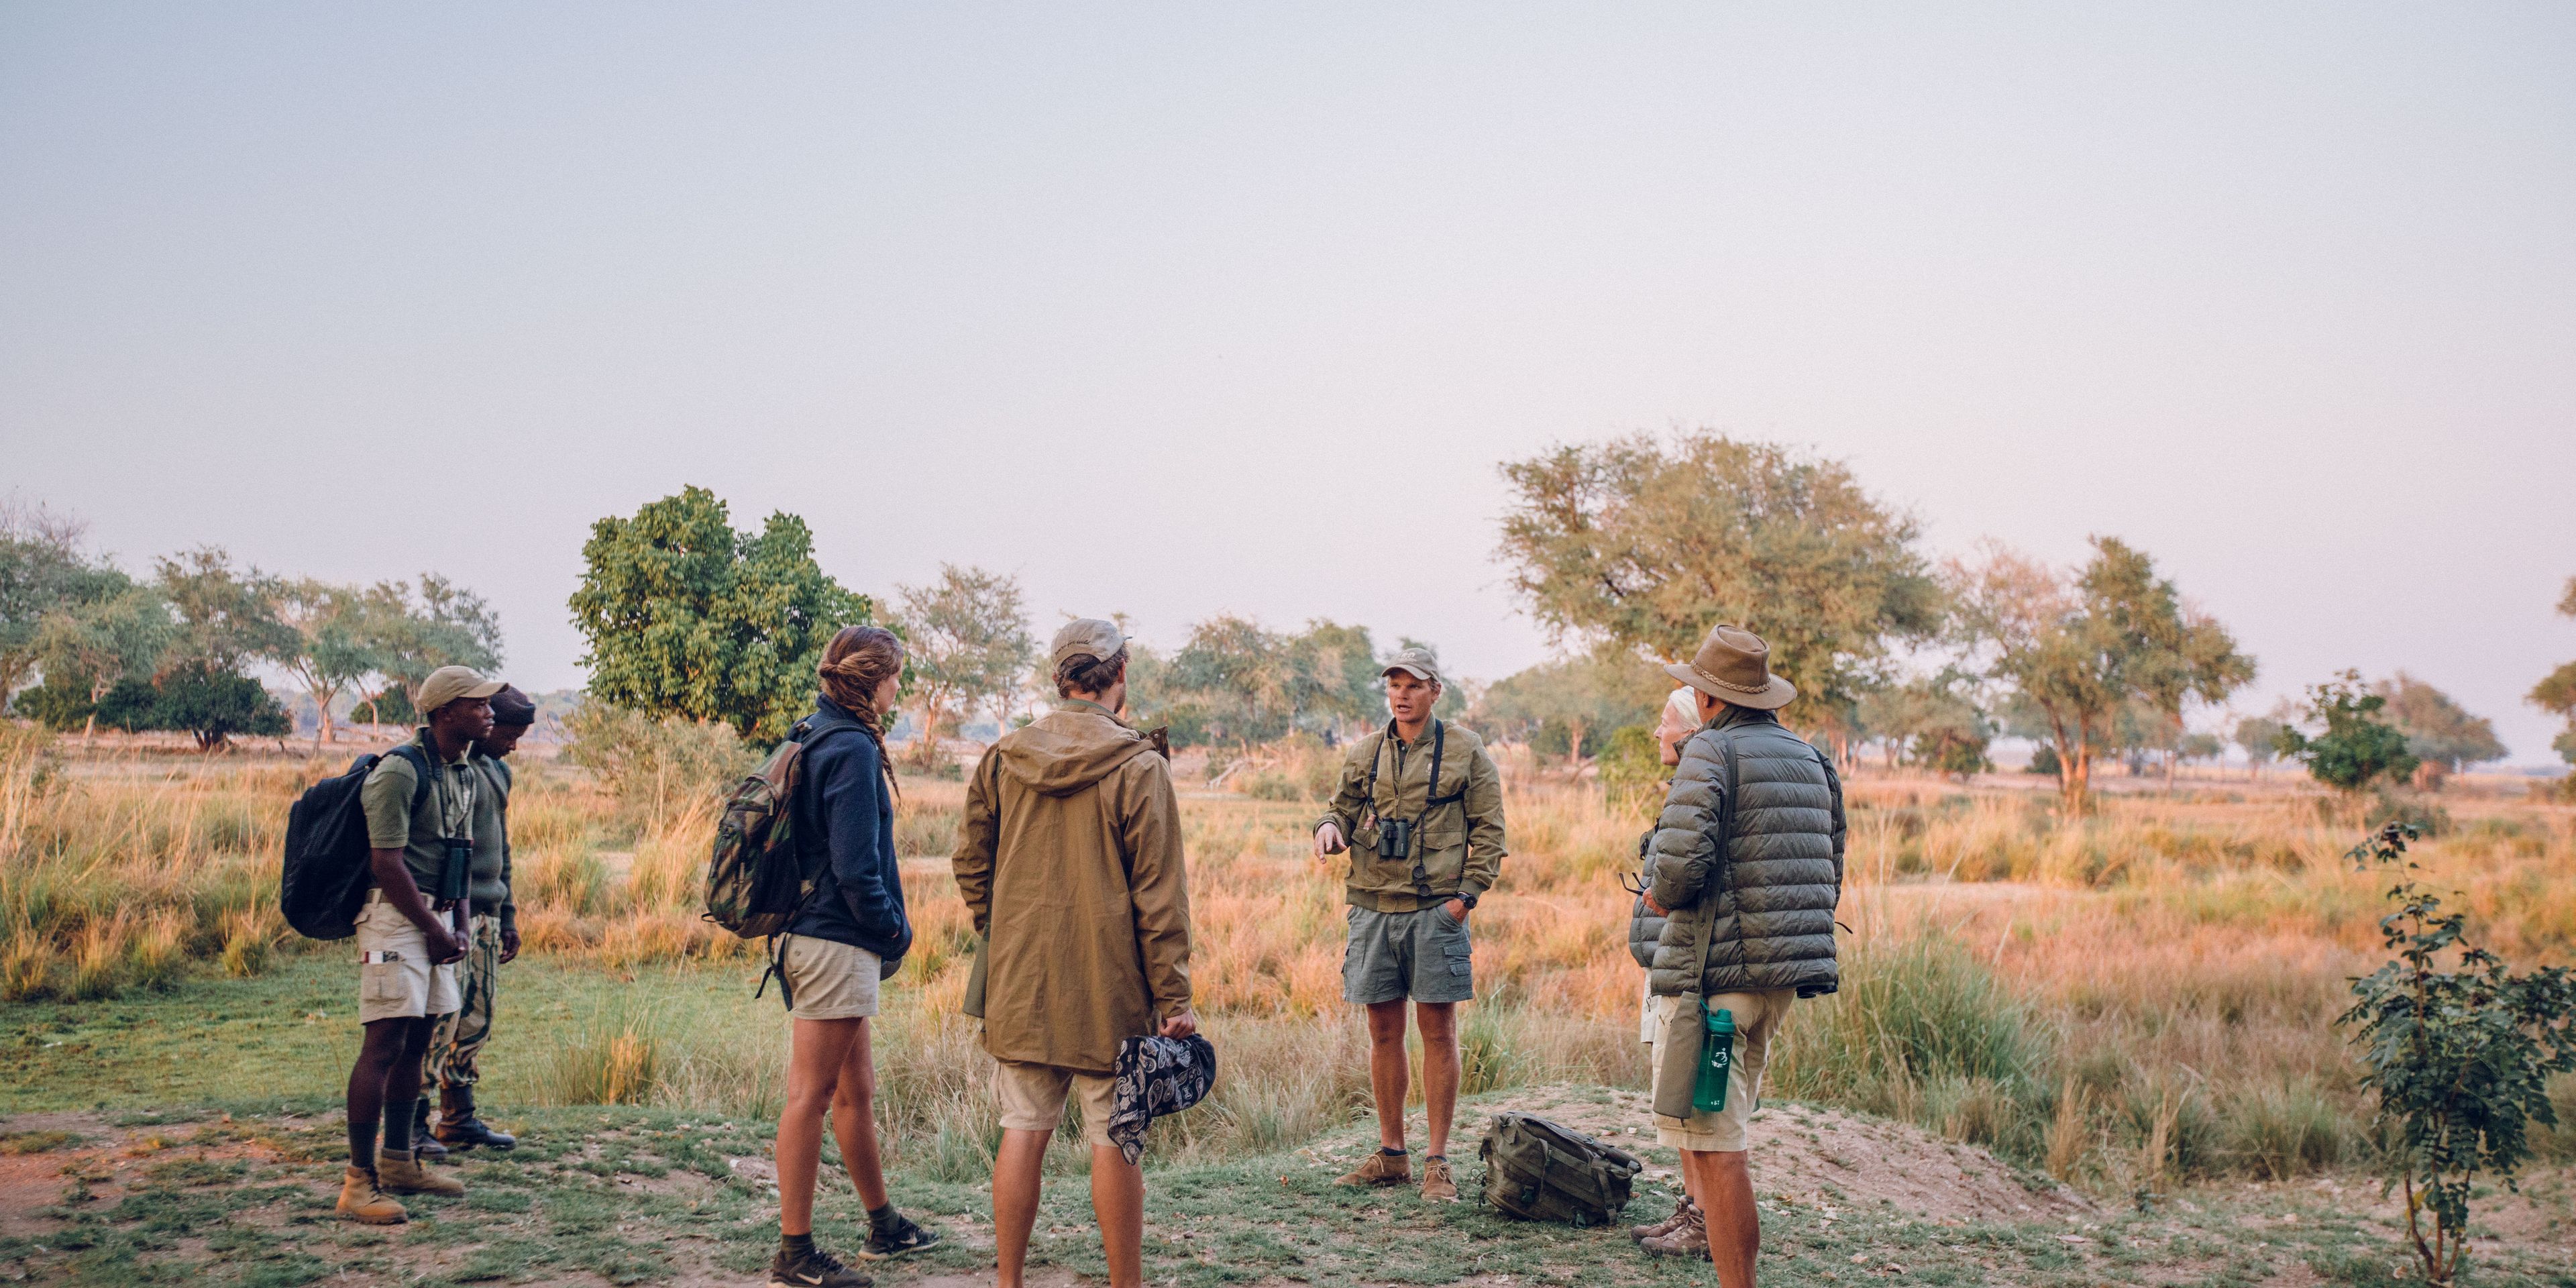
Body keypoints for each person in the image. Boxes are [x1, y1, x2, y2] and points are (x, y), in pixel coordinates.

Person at [954, 619, 1195, 1288]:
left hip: (1021, 980)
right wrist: (1174, 999)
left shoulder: (1004, 757)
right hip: (1109, 988)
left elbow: (970, 861)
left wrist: (1003, 936)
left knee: (1023, 1127)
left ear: (1060, 680)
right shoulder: (1140, 766)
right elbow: (1160, 899)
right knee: (1115, 1138)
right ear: (1120, 675)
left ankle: (1008, 1283)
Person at [1637, 625, 1846, 1287]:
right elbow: (1830, 864)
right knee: (1721, 1132)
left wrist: (1659, 897)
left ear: (1707, 699)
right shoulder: (1811, 758)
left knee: (1718, 1147)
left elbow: (1678, 865)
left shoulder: (1710, 752)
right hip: (1778, 981)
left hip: (1714, 982)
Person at [767, 625, 940, 1288]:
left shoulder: (814, 730)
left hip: (815, 937)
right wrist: (893, 931)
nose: (900, 687)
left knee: (854, 1093)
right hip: (835, 941)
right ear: (876, 679)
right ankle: (794, 1253)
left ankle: (885, 1225)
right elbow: (855, 867)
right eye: (896, 676)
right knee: (810, 1096)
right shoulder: (851, 748)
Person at [1311, 647, 1507, 1202]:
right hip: (1373, 906)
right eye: (1394, 685)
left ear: (1435, 691)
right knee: (1382, 1031)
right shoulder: (1366, 751)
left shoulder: (1467, 750)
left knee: (1439, 1032)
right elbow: (1341, 808)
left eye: (1413, 685)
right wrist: (1329, 828)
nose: (1401, 694)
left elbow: (1490, 830)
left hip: (1434, 909)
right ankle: (1392, 1153)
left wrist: (1465, 898)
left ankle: (1437, 1162)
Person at [337, 665, 498, 1224]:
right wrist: (434, 929)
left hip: (437, 917)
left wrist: (459, 924)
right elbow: (386, 861)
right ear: (446, 711)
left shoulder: (463, 771)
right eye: (479, 704)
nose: (490, 712)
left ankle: (401, 1161)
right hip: (395, 917)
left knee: (418, 1042)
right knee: (383, 1044)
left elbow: (463, 854)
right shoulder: (401, 772)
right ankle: (359, 1184)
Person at [421, 684, 535, 1157]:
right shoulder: (449, 771)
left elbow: (500, 848)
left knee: (476, 1019)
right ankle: (412, 1120)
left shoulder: (498, 773)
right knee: (439, 1019)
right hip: (455, 914)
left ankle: (459, 1116)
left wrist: (508, 914)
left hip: (487, 910)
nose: (512, 742)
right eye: (508, 731)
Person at [1627, 686, 1710, 1254]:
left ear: (1689, 732)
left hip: (1687, 965)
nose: (1657, 733)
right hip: (1666, 962)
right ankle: (1690, 1209)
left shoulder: (1702, 787)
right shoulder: (1684, 786)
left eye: (1665, 723)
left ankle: (1705, 1221)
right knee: (1675, 1100)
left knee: (1693, 1104)